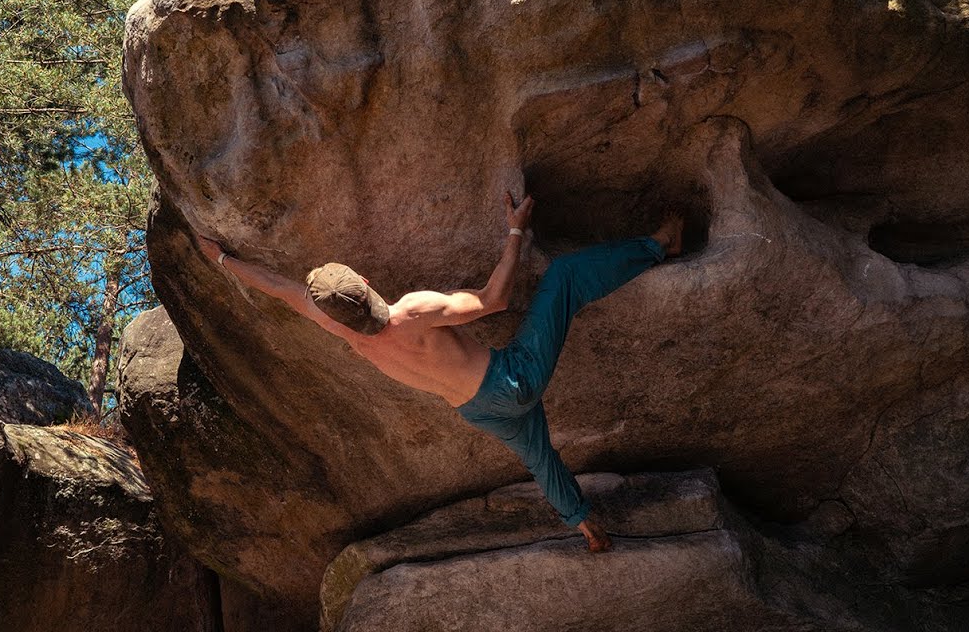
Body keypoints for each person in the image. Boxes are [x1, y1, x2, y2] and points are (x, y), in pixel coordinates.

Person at [194, 194, 683, 552]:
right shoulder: (414, 311)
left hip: (477, 411)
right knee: (564, 278)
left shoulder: (344, 333)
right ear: (365, 282)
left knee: (540, 459)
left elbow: (280, 288)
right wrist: (516, 231)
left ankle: (582, 524)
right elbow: (497, 300)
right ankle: (662, 243)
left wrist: (221, 258)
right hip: (512, 379)